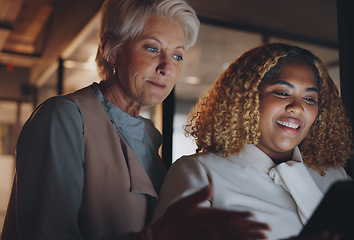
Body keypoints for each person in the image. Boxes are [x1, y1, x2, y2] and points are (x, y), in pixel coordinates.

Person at [1, 0, 269, 239]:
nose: (166, 68)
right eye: (152, 48)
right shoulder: (64, 117)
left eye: (177, 55)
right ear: (111, 49)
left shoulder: (148, 133)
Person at [153, 43, 354, 239]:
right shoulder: (200, 172)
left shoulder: (335, 177)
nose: (297, 107)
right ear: (247, 99)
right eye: (282, 93)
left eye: (310, 99)